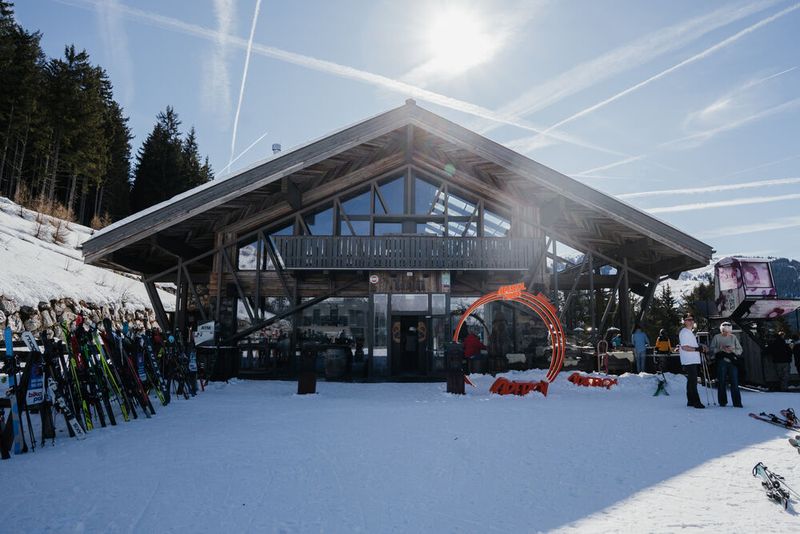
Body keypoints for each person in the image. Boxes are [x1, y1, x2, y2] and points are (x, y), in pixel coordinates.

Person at [710, 321, 743, 407]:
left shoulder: (733, 337)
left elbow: (740, 350)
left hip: (732, 361)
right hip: (721, 361)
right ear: (722, 330)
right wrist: (721, 349)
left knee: (735, 382)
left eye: (728, 331)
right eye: (725, 331)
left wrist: (732, 350)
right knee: (721, 381)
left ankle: (737, 402)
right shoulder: (717, 337)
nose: (727, 332)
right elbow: (711, 349)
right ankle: (722, 401)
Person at [679, 313, 704, 409]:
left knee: (691, 381)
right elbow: (684, 347)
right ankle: (696, 402)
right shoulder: (684, 332)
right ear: (684, 321)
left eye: (692, 319)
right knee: (693, 381)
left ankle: (690, 400)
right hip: (689, 359)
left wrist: (699, 347)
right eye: (688, 320)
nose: (690, 321)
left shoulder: (690, 332)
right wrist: (696, 349)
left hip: (692, 359)